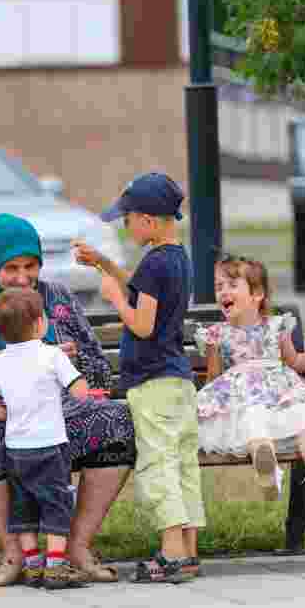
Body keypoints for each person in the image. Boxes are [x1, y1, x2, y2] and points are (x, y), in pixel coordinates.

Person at [0, 213, 134, 587]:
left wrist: (72, 361)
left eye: (31, 266)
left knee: (117, 420)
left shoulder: (58, 298)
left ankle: (76, 547)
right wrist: (19, 362)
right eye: (11, 268)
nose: (23, 278)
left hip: (56, 408)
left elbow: (100, 373)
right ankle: (14, 552)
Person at [74, 172, 203, 584]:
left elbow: (143, 323)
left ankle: (169, 556)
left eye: (127, 219)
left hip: (152, 382)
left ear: (147, 220)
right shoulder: (176, 257)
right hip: (178, 382)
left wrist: (114, 300)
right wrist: (105, 265)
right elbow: (145, 291)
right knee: (182, 466)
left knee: (158, 466)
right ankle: (188, 552)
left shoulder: (153, 263)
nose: (125, 226)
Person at [194, 255, 305, 502]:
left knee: (304, 419)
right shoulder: (216, 333)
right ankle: (269, 474)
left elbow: (293, 361)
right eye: (219, 286)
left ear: (257, 294)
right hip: (241, 396)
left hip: (281, 394)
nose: (223, 292)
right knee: (252, 421)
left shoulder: (277, 326)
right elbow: (213, 376)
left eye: (233, 285)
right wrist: (207, 405)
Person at [0, 288, 91, 590]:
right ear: (40, 324)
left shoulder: (1, 361)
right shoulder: (52, 355)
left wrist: (13, 416)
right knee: (56, 503)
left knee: (24, 505)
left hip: (16, 449)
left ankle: (32, 565)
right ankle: (56, 567)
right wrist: (83, 387)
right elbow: (79, 392)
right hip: (50, 446)